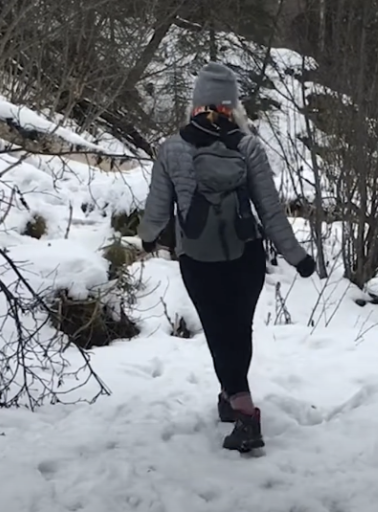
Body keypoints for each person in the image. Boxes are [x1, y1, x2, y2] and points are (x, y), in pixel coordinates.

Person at [137, 62, 316, 452]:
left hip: (198, 260)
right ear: (232, 106)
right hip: (245, 254)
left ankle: (245, 413)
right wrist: (297, 256)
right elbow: (270, 211)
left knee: (219, 333)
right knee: (238, 331)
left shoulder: (173, 148)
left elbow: (157, 211)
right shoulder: (248, 146)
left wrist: (147, 239)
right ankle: (230, 394)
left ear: (196, 102)